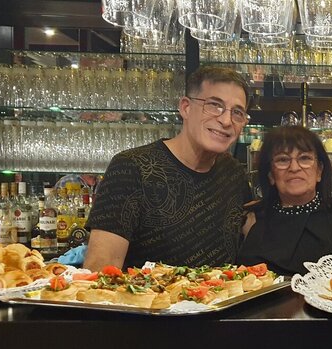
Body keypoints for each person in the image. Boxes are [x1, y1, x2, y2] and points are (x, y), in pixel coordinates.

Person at [84, 66, 252, 271]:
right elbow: (100, 270)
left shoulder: (233, 173)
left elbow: (257, 247)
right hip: (148, 301)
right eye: (214, 105)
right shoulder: (131, 168)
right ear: (185, 107)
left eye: (237, 113)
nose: (226, 120)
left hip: (222, 301)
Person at [238, 126, 332, 275]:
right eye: (283, 160)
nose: (294, 167)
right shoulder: (249, 219)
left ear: (319, 171)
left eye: (304, 158)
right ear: (271, 175)